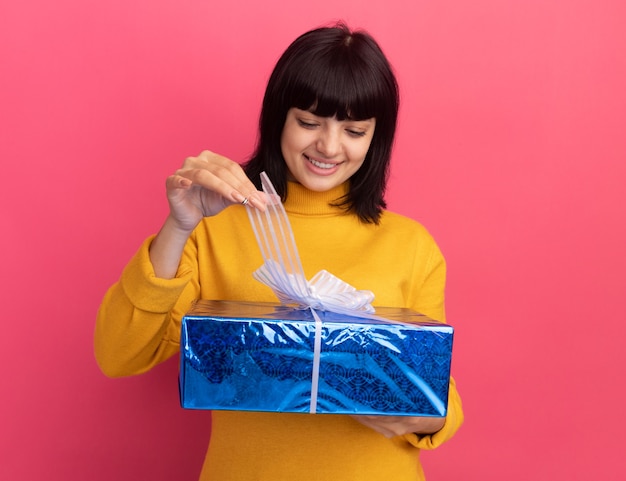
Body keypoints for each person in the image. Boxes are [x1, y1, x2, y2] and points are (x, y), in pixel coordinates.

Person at [95, 22, 463, 481]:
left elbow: (440, 399)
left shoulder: (412, 245)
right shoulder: (215, 227)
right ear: (277, 119)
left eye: (354, 130)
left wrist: (423, 412)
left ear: (376, 138)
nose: (328, 146)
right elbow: (118, 354)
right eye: (309, 122)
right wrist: (178, 226)